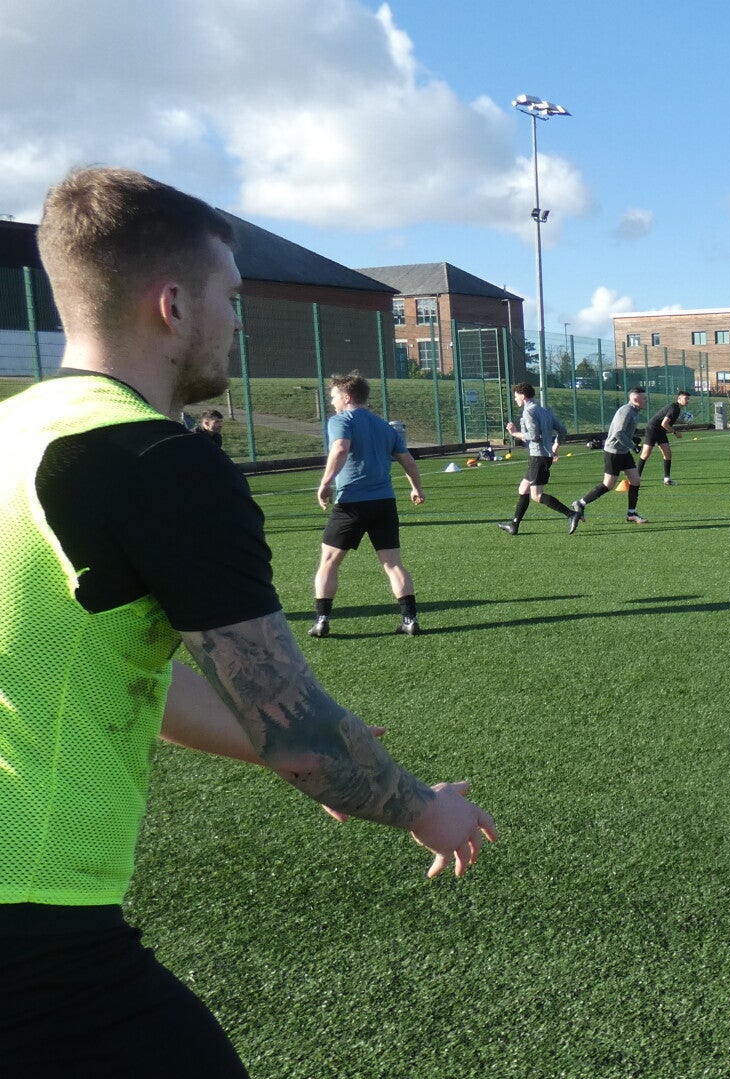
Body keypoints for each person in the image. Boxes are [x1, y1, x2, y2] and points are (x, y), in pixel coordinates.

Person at [1, 166, 497, 1077]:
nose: (236, 320)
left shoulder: (14, 433)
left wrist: (288, 752)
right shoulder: (154, 461)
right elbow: (299, 730)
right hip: (30, 919)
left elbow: (115, 671)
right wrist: (425, 807)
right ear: (173, 305)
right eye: (229, 296)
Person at [311, 372, 425, 637]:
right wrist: (417, 488)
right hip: (384, 503)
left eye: (334, 397)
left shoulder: (340, 421)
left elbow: (340, 448)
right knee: (393, 564)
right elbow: (408, 461)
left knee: (328, 562)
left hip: (351, 504)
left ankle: (321, 620)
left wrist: (325, 483)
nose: (332, 402)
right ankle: (410, 619)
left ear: (347, 397)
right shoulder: (385, 427)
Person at [498, 382, 580, 535]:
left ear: (523, 396)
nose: (515, 399)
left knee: (536, 495)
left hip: (538, 457)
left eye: (516, 396)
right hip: (542, 456)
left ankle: (571, 514)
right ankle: (514, 525)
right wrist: (555, 447)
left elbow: (533, 436)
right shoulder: (544, 411)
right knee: (523, 489)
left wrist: (514, 433)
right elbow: (562, 430)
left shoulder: (528, 412)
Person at [570, 385, 649, 525]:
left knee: (635, 480)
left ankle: (631, 513)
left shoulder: (634, 411)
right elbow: (618, 432)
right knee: (608, 484)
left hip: (623, 451)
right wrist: (632, 446)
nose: (646, 401)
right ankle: (580, 503)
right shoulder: (626, 411)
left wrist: (632, 439)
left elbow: (624, 431)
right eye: (644, 398)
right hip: (613, 452)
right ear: (636, 399)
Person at [636, 388, 690, 485]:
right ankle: (635, 478)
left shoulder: (677, 409)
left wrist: (682, 422)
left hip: (660, 431)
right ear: (679, 398)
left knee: (667, 453)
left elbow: (668, 421)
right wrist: (675, 432)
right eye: (686, 398)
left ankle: (667, 479)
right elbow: (664, 424)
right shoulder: (674, 408)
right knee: (645, 454)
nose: (687, 401)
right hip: (652, 429)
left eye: (688, 399)